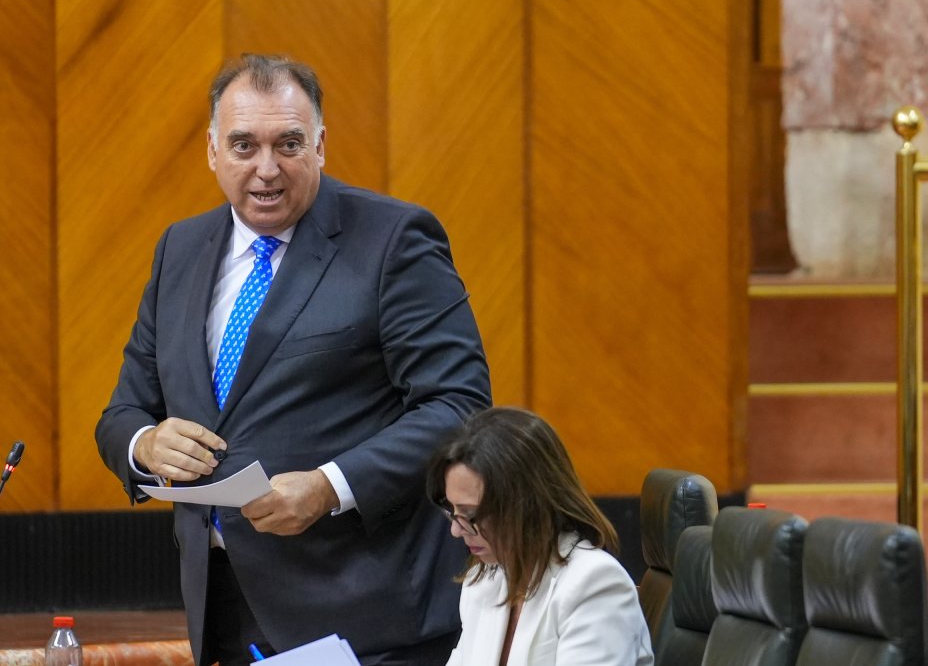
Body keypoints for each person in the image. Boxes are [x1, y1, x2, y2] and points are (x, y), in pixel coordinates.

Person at [94, 53, 491, 666]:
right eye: (244, 145)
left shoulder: (393, 240)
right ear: (212, 149)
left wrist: (330, 487)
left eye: (289, 144)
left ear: (322, 145)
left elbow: (458, 407)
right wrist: (145, 444)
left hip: (363, 615)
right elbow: (124, 410)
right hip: (221, 610)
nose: (266, 169)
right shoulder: (179, 249)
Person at [426, 407, 653, 666]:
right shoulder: (483, 581)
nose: (456, 530)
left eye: (471, 515)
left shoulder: (594, 584)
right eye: (452, 511)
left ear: (526, 504)